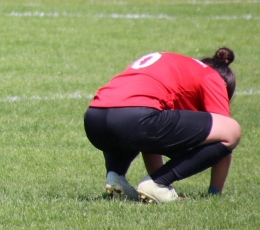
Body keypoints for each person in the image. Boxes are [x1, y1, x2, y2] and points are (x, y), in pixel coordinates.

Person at [84, 48, 240, 203]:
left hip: (94, 118)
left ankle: (116, 176)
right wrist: (215, 192)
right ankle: (157, 183)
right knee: (231, 130)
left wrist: (157, 178)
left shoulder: (177, 67)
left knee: (137, 125)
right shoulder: (212, 76)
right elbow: (225, 131)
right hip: (135, 117)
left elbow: (152, 141)